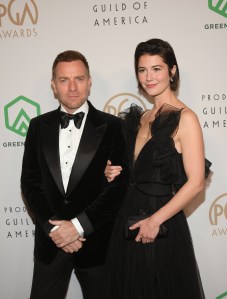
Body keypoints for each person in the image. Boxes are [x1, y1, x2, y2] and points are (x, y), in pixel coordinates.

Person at [103, 38, 211, 298]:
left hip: (161, 224)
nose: (149, 77)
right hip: (127, 221)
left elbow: (196, 182)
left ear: (172, 71)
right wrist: (113, 172)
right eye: (142, 70)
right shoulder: (141, 117)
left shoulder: (186, 118)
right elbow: (136, 171)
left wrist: (155, 221)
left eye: (156, 68)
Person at [20, 50, 128, 299]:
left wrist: (79, 227)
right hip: (51, 243)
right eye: (63, 80)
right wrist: (55, 230)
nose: (72, 87)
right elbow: (30, 182)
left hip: (97, 244)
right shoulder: (38, 126)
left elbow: (118, 188)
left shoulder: (113, 127)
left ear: (89, 83)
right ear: (53, 85)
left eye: (79, 79)